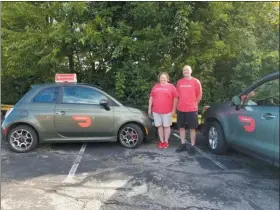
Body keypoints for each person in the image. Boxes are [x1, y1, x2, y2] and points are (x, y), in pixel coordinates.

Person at [175, 65, 202, 155]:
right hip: (181, 108)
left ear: (191, 71)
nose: (185, 71)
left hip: (192, 109)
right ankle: (183, 144)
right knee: (181, 127)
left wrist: (194, 104)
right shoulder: (179, 82)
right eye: (184, 70)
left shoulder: (195, 81)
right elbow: (177, 96)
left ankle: (192, 146)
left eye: (187, 70)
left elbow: (199, 95)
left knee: (192, 128)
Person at [148, 72, 178, 149]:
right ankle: (161, 141)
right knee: (159, 126)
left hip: (167, 111)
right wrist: (149, 108)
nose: (163, 79)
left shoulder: (171, 87)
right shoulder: (155, 86)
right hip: (156, 111)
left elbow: (175, 98)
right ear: (159, 79)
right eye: (161, 78)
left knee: (166, 126)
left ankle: (166, 142)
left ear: (167, 79)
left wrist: (174, 110)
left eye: (164, 78)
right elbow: (151, 98)